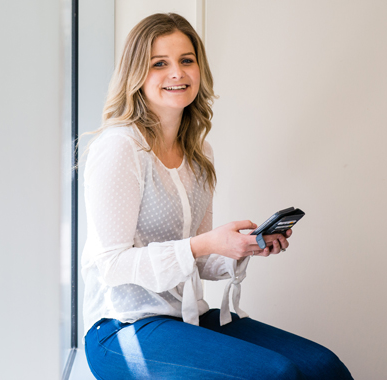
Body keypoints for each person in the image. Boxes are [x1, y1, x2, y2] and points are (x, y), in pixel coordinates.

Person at [81, 13, 353, 380]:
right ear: (136, 74)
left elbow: (199, 260)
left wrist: (245, 247)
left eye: (186, 60)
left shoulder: (199, 152)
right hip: (121, 328)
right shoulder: (120, 147)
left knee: (325, 367)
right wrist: (205, 243)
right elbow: (112, 265)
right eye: (159, 63)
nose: (177, 73)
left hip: (184, 316)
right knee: (276, 374)